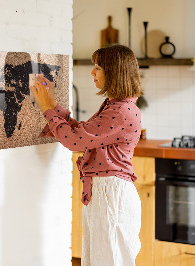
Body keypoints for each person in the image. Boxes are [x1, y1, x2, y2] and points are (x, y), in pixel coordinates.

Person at [31, 44, 143, 266]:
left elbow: (74, 141)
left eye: (98, 67)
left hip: (111, 195)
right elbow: (82, 133)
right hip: (106, 193)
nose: (92, 72)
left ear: (114, 72)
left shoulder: (120, 111)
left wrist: (46, 108)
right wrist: (52, 104)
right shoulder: (116, 106)